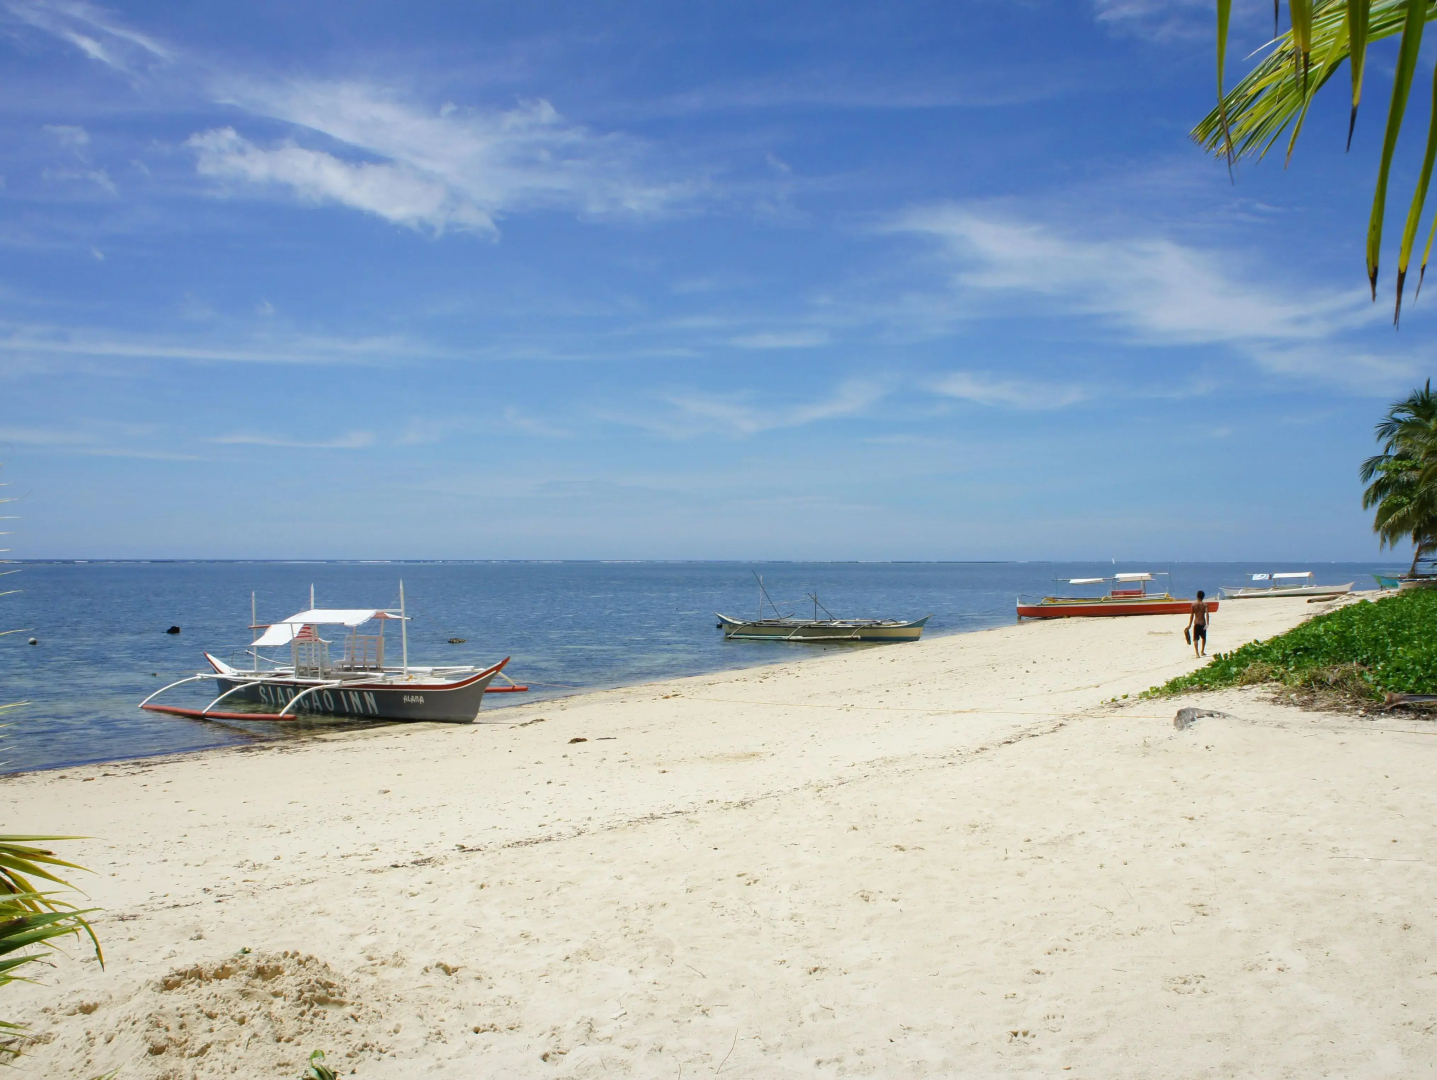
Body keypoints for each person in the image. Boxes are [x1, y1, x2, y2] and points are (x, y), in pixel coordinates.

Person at [1186, 590, 1211, 658]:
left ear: (1197, 596)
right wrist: (1208, 623)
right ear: (1203, 597)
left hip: (1196, 623)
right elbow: (1207, 614)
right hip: (1203, 624)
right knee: (1204, 638)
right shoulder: (1205, 605)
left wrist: (1189, 625)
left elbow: (1192, 615)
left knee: (1195, 639)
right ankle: (1202, 651)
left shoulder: (1193, 605)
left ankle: (1197, 654)